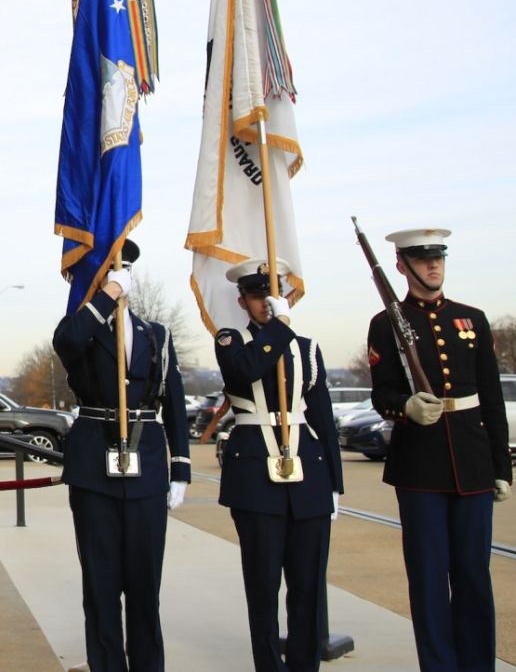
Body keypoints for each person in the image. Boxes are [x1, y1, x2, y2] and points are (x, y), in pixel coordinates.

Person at [367, 228, 510, 671]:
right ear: (401, 266)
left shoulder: (472, 319)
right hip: (420, 467)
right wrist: (406, 407)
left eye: (439, 257)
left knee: (473, 576)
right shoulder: (385, 324)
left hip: (472, 462)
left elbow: (491, 397)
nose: (433, 265)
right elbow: (382, 393)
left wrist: (500, 467)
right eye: (422, 259)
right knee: (429, 578)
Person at [51, 240, 190, 672]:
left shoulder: (156, 334)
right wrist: (107, 296)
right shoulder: (81, 327)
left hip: (146, 463)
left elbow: (174, 402)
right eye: (111, 272)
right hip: (94, 465)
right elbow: (66, 341)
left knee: (146, 585)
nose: (119, 277)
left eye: (123, 271)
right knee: (101, 584)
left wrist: (181, 468)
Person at [214, 259, 342, 672]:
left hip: (308, 474)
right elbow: (244, 371)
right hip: (255, 476)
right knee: (263, 586)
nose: (266, 304)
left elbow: (322, 417)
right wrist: (280, 327)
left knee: (308, 586)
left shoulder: (308, 349)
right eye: (257, 297)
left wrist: (334, 484)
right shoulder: (231, 340)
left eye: (274, 296)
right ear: (243, 302)